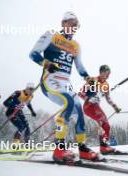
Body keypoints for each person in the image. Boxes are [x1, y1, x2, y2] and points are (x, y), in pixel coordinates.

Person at [29, 11, 98, 162]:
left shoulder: (76, 45)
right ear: (63, 23)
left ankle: (82, 147)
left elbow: (79, 66)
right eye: (71, 23)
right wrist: (46, 63)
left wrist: (87, 77)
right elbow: (33, 54)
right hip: (51, 80)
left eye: (76, 24)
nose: (74, 26)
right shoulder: (51, 35)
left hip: (66, 82)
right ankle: (59, 148)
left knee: (79, 111)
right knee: (68, 102)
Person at [79, 65, 121, 154]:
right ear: (101, 72)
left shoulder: (106, 85)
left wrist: (115, 107)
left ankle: (104, 146)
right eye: (106, 73)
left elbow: (108, 98)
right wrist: (88, 98)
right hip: (88, 106)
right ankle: (104, 146)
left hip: (96, 107)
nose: (108, 76)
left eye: (109, 74)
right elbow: (81, 93)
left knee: (106, 126)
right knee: (103, 123)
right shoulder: (93, 80)